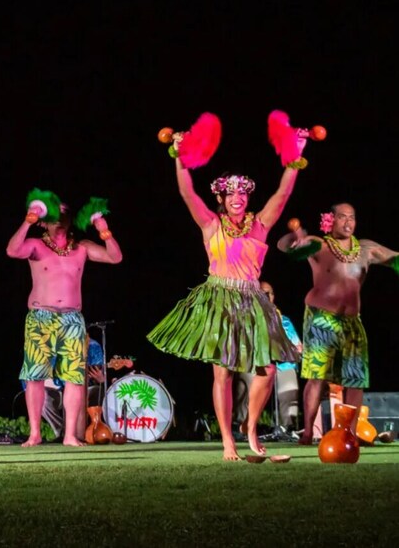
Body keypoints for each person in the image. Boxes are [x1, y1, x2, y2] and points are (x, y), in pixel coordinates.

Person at [147, 146, 303, 461]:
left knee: (269, 370)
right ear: (221, 198)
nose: (237, 198)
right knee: (223, 374)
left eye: (242, 194)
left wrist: (295, 158)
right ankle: (228, 442)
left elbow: (283, 194)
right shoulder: (210, 225)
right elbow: (186, 191)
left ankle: (251, 428)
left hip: (252, 301)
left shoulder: (260, 224)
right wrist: (180, 157)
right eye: (230, 194)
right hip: (219, 300)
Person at [6, 196, 122, 447]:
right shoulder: (36, 245)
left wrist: (105, 231)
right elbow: (12, 250)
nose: (59, 216)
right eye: (53, 213)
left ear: (70, 219)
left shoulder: (82, 247)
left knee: (74, 377)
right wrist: (27, 221)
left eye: (64, 211)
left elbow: (115, 257)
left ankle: (70, 435)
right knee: (35, 375)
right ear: (43, 222)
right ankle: (35, 433)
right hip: (40, 317)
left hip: (72, 319)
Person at [277, 203, 398, 444]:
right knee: (316, 376)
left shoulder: (366, 249)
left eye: (352, 217)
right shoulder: (318, 245)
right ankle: (309, 432)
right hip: (321, 319)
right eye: (342, 217)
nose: (348, 222)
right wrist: (295, 239)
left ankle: (349, 433)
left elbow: (395, 258)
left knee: (356, 379)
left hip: (352, 322)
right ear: (330, 220)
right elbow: (284, 246)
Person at [234, 281, 303, 432]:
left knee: (289, 380)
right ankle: (242, 426)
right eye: (262, 293)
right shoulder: (247, 318)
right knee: (246, 377)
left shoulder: (284, 321)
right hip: (256, 363)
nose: (266, 296)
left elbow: (298, 348)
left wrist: (290, 350)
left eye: (269, 293)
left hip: (282, 364)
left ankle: (287, 427)